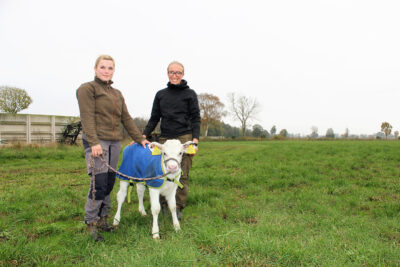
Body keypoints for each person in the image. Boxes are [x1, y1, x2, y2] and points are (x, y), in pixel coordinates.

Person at [76, 54, 149, 242]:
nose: (106, 71)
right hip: (97, 142)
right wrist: (93, 143)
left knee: (108, 183)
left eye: (110, 68)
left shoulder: (117, 94)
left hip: (115, 142)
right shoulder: (87, 89)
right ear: (95, 69)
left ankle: (103, 219)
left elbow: (126, 118)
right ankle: (91, 223)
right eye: (102, 67)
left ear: (113, 70)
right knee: (98, 184)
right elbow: (87, 117)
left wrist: (140, 139)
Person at [143, 61, 201, 220]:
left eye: (178, 72)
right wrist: (143, 136)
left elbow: (196, 118)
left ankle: (178, 206)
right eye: (172, 72)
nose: (175, 75)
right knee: (161, 172)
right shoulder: (161, 94)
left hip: (184, 137)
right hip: (165, 138)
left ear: (183, 74)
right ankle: (163, 204)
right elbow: (154, 118)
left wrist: (194, 141)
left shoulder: (190, 94)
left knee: (181, 173)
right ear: (167, 73)